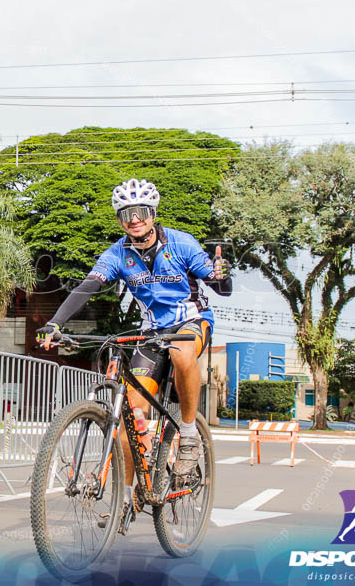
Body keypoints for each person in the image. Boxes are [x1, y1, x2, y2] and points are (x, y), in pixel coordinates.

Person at [36, 178, 232, 515]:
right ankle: (126, 498)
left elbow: (221, 287)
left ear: (152, 213)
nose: (134, 219)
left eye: (140, 211)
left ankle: (187, 435)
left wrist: (221, 273)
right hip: (152, 330)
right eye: (126, 214)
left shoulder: (182, 243)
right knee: (129, 412)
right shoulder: (117, 254)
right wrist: (55, 323)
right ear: (119, 219)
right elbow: (87, 287)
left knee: (180, 351)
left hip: (190, 321)